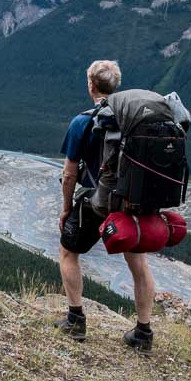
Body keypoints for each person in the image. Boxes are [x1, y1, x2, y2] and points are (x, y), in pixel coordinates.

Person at [54, 60, 156, 352]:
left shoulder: (82, 122)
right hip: (132, 202)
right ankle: (143, 333)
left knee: (68, 251)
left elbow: (70, 174)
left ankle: (75, 320)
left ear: (90, 85)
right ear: (116, 86)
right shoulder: (135, 119)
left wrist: (65, 209)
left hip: (100, 202)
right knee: (137, 261)